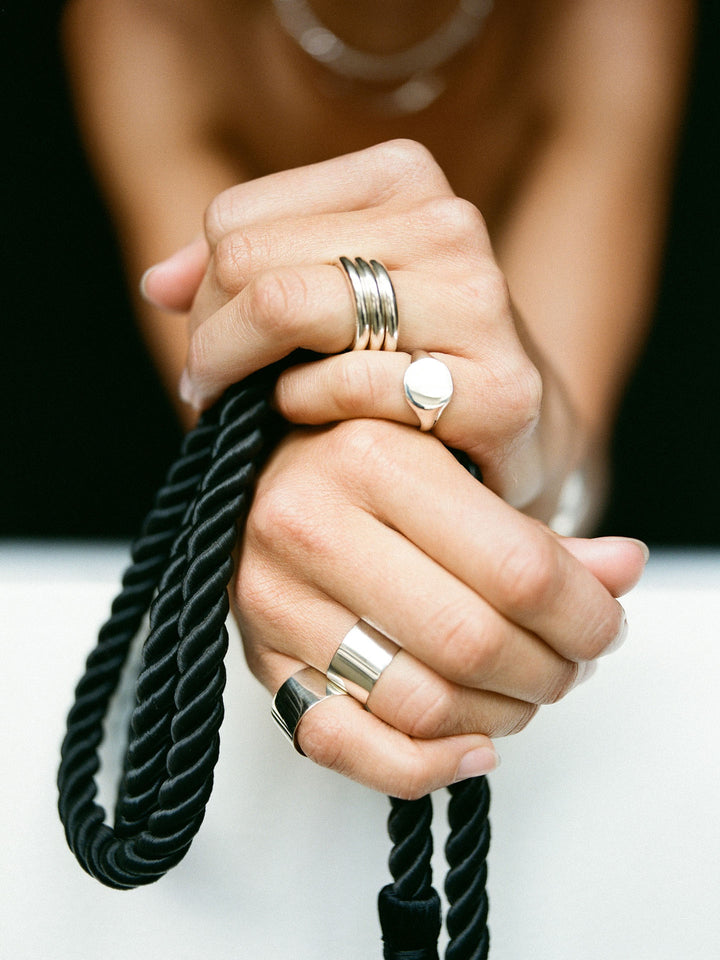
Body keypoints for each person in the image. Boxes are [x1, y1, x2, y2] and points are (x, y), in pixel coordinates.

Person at [60, 0, 693, 796]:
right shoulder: (143, 23)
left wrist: (534, 467)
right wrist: (291, 484)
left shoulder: (614, 21)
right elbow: (236, 406)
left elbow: (544, 430)